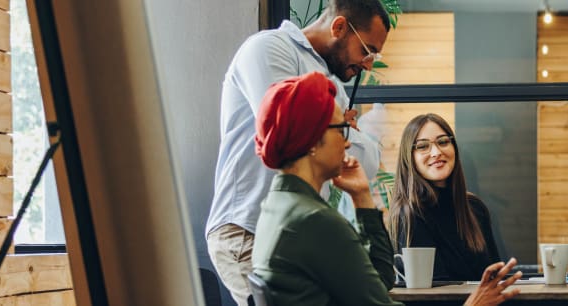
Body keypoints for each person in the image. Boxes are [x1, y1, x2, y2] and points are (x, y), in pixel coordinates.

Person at [251, 72, 522, 306]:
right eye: (341, 129)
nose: (347, 143)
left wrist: (362, 196)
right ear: (311, 140)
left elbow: (380, 283)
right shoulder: (315, 221)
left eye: (443, 142)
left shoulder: (279, 208)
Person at [205, 0, 390, 303]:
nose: (369, 63)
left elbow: (365, 162)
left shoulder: (333, 84)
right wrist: (344, 123)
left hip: (298, 234)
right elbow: (292, 125)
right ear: (339, 27)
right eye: (367, 50)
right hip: (248, 227)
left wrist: (339, 125)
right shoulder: (269, 49)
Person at [387, 114, 501, 281]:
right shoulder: (410, 214)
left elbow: (494, 276)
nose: (436, 152)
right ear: (409, 158)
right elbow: (430, 295)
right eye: (422, 146)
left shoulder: (475, 207)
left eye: (443, 142)